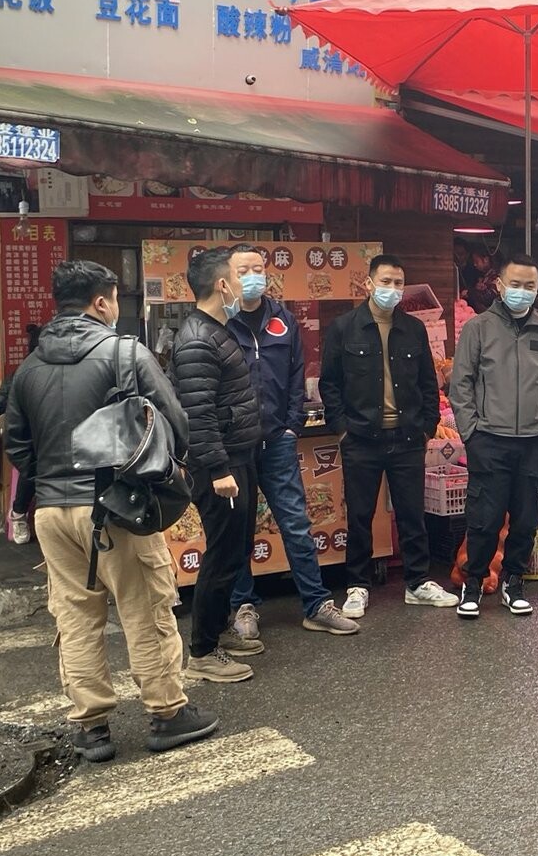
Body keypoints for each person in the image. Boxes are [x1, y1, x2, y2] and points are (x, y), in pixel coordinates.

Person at [5, 260, 217, 762]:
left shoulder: (28, 367)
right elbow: (176, 422)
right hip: (118, 507)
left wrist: (54, 483)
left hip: (52, 512)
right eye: (115, 299)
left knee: (75, 616)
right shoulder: (125, 352)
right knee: (145, 609)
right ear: (101, 302)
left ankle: (91, 726)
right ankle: (167, 712)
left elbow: (17, 444)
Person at [225, 246, 359, 639]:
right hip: (236, 445)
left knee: (297, 524)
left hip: (278, 441)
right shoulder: (220, 322)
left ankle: (316, 605)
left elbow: (297, 372)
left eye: (258, 268)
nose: (253, 276)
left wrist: (291, 425)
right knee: (239, 528)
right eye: (243, 270)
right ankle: (242, 605)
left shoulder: (282, 318)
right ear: (227, 278)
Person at [320, 253, 456, 618]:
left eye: (398, 283)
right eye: (385, 282)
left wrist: (427, 426)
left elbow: (428, 382)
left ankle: (417, 582)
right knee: (359, 516)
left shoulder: (413, 329)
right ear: (368, 283)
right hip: (360, 438)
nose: (392, 289)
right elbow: (329, 383)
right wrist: (342, 428)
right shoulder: (344, 328)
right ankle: (357, 586)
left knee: (412, 514)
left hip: (407, 437)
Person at [449, 253, 538, 619]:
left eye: (529, 286)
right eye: (515, 284)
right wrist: (471, 433)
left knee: (526, 518)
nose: (522, 291)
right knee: (484, 518)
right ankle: (473, 583)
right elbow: (461, 385)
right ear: (500, 286)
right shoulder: (478, 329)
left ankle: (513, 582)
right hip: (489, 439)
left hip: (535, 443)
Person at [172, 247, 263, 683]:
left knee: (237, 550)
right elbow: (198, 414)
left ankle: (219, 629)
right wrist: (219, 469)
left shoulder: (218, 330)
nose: (245, 284)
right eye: (237, 276)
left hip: (238, 457)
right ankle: (203, 652)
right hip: (219, 467)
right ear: (222, 284)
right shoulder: (197, 339)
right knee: (222, 554)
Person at [0, 324, 42, 544]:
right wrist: (11, 422)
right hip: (22, 440)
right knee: (32, 463)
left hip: (47, 437)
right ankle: (19, 513)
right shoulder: (18, 376)